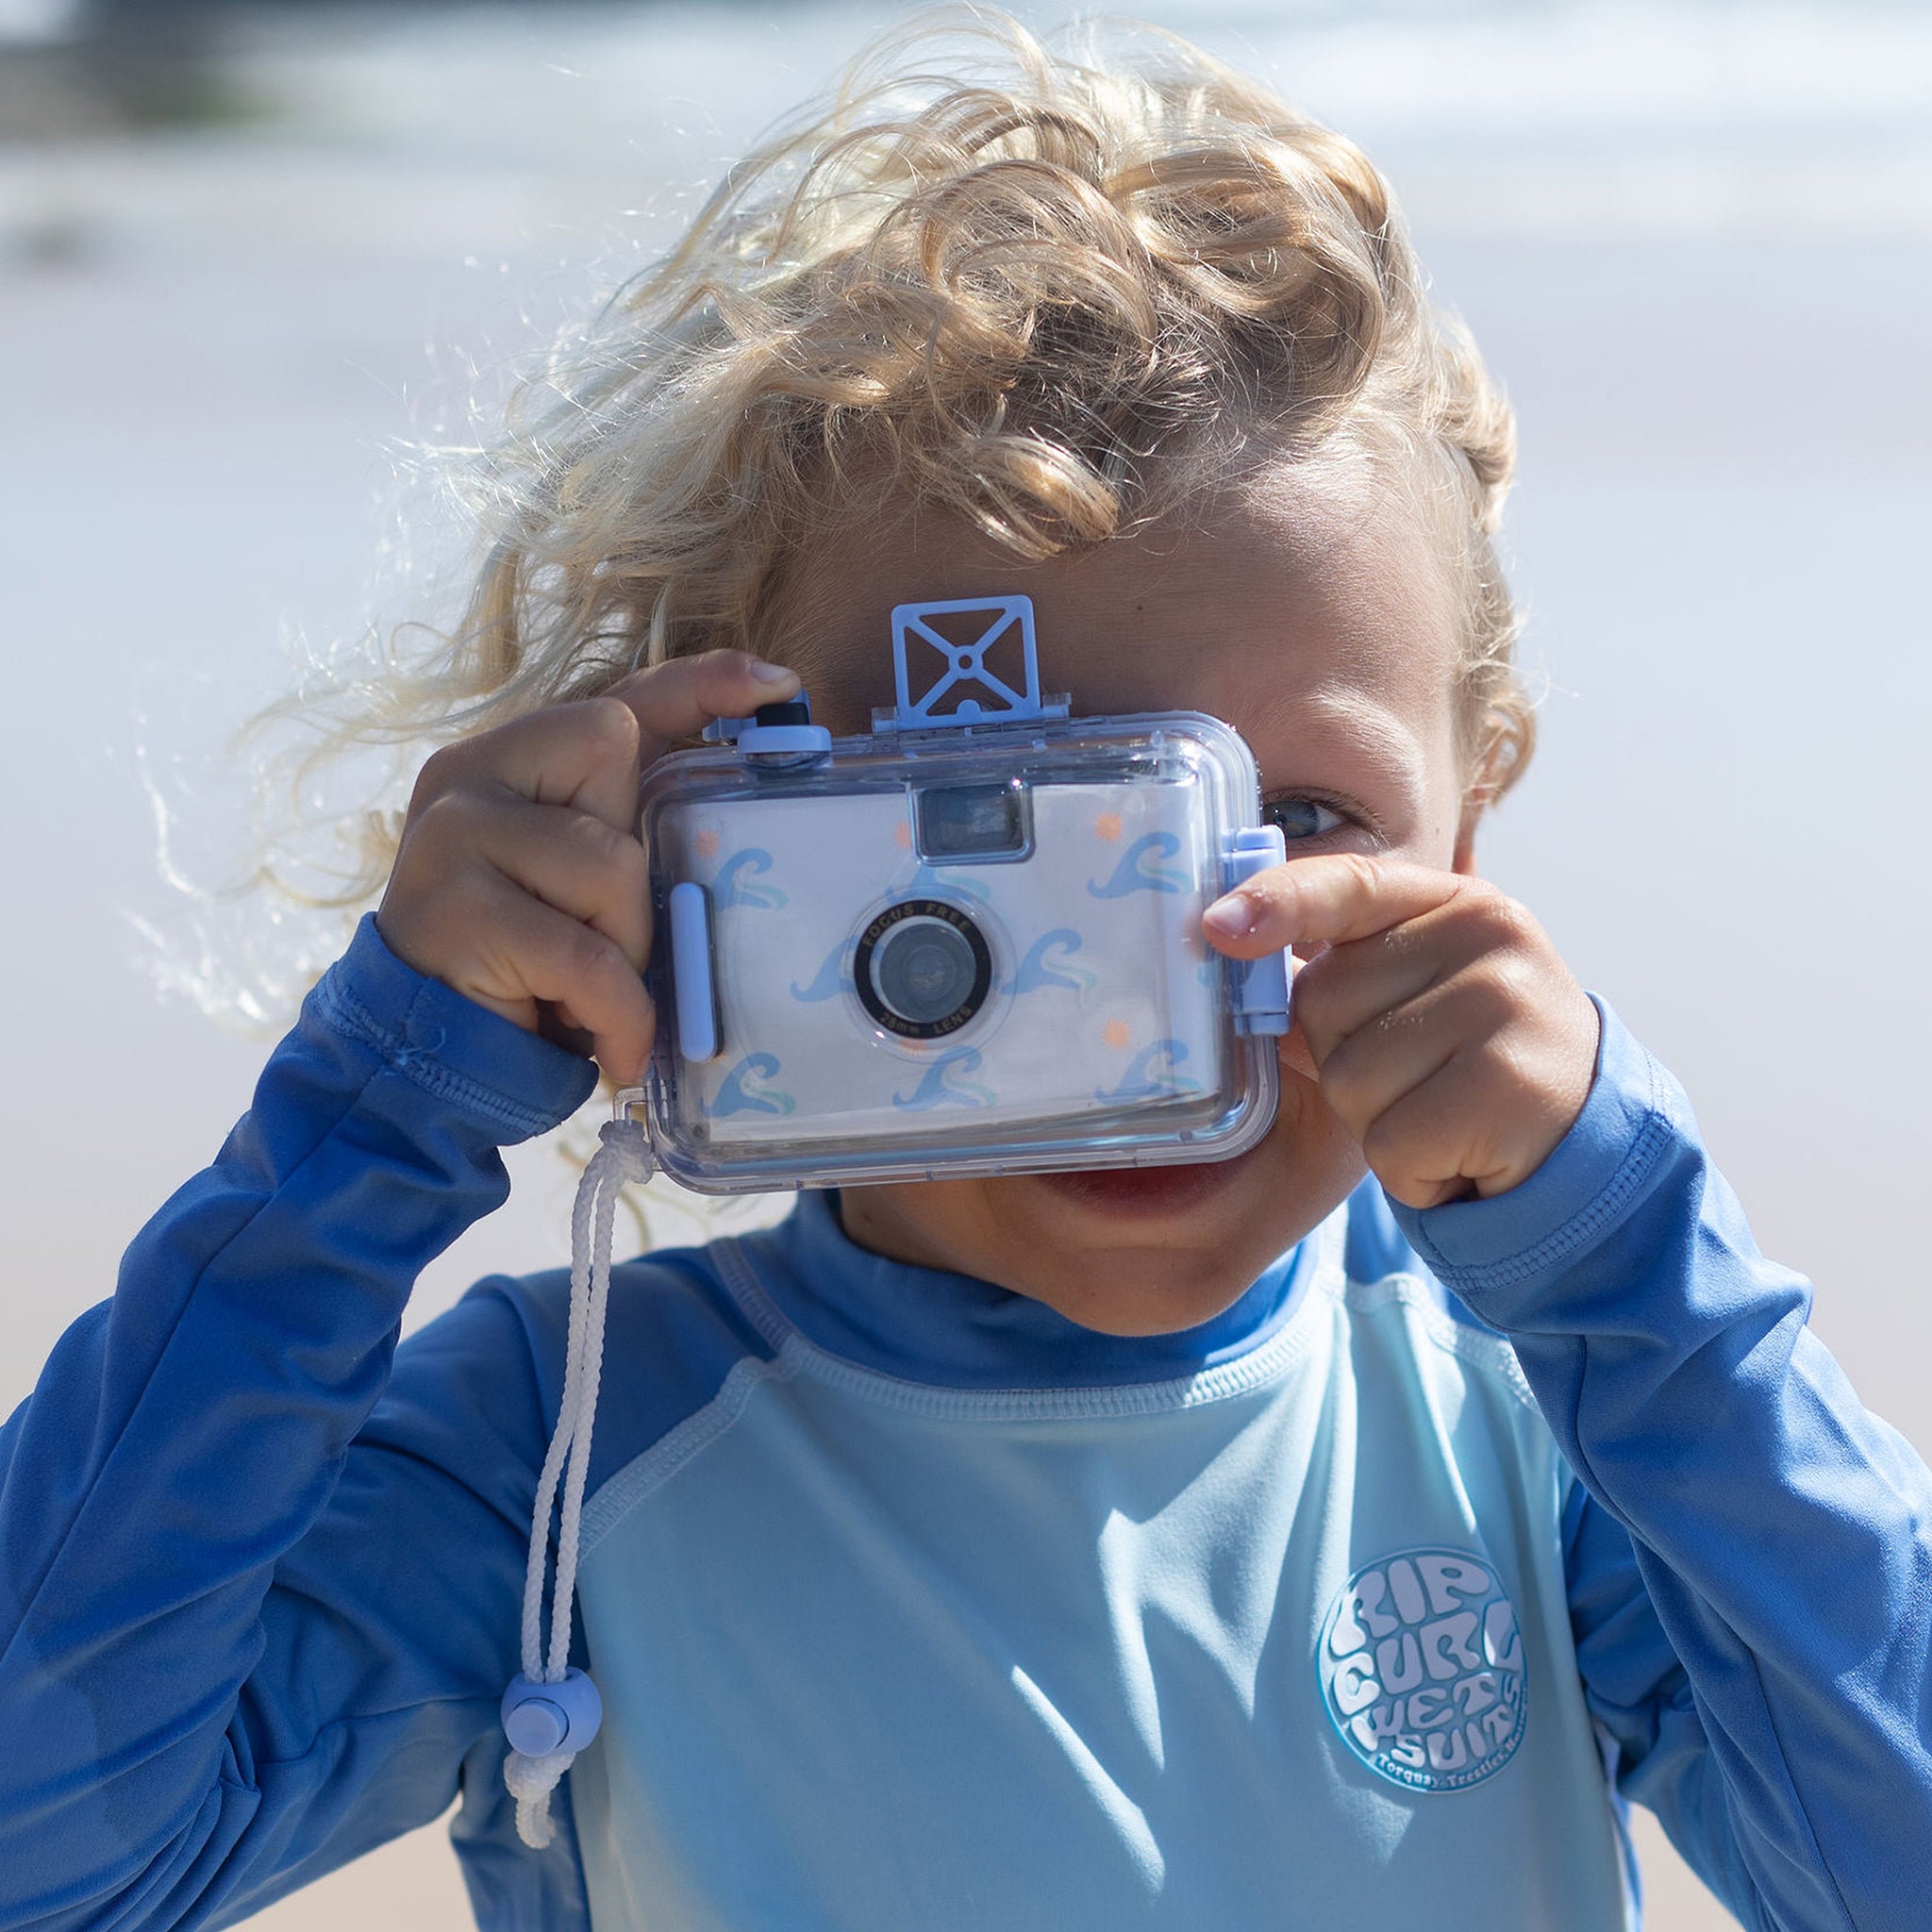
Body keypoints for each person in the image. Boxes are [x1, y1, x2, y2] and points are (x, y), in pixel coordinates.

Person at [4, 13, 1928, 1930]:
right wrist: (371, 1120)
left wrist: (1627, 1249)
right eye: (994, 857)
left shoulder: (1537, 1422)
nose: (1155, 991)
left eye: (1306, 825)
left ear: (1472, 833)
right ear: (706, 860)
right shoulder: (572, 1450)